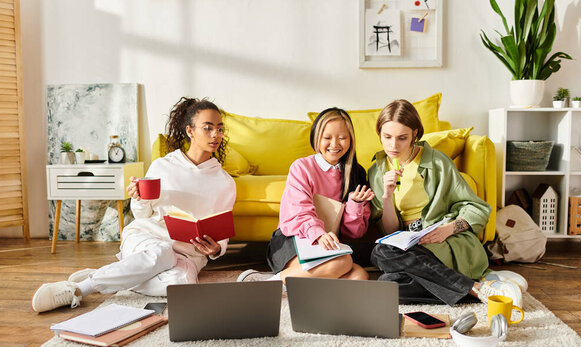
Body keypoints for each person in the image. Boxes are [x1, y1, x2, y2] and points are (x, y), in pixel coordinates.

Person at [32, 97, 236, 312]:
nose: (216, 135)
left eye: (220, 129)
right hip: (149, 239)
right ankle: (79, 289)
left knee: (183, 284)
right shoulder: (163, 166)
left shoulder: (225, 183)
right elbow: (141, 215)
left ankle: (115, 273)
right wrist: (138, 198)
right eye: (208, 128)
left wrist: (215, 250)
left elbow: (222, 234)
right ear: (190, 131)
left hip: (188, 254)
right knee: (162, 253)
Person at [368, 99, 527, 307]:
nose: (393, 145)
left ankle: (472, 287)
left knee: (384, 260)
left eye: (402, 138)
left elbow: (477, 207)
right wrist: (387, 197)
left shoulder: (437, 162)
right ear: (379, 133)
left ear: (415, 134)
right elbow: (391, 230)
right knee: (386, 280)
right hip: (407, 246)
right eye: (387, 137)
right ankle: (473, 288)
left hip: (439, 242)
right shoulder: (376, 171)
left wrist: (448, 229)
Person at [237, 107, 374, 283]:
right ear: (316, 138)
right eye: (327, 138)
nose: (335, 144)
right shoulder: (302, 167)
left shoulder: (356, 173)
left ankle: (286, 282)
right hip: (293, 239)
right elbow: (299, 211)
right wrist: (319, 234)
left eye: (342, 138)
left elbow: (355, 233)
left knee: (359, 276)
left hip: (328, 244)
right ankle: (270, 283)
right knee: (341, 263)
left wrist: (354, 204)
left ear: (351, 140)